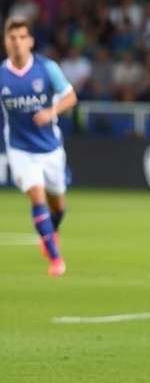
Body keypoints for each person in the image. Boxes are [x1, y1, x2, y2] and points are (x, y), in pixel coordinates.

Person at [0, 17, 77, 276]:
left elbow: (71, 96)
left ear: (31, 41)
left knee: (59, 206)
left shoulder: (47, 69)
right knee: (36, 194)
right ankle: (55, 259)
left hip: (50, 149)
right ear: (6, 42)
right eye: (12, 38)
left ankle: (51, 232)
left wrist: (51, 110)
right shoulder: (1, 75)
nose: (17, 43)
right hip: (20, 149)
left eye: (22, 37)